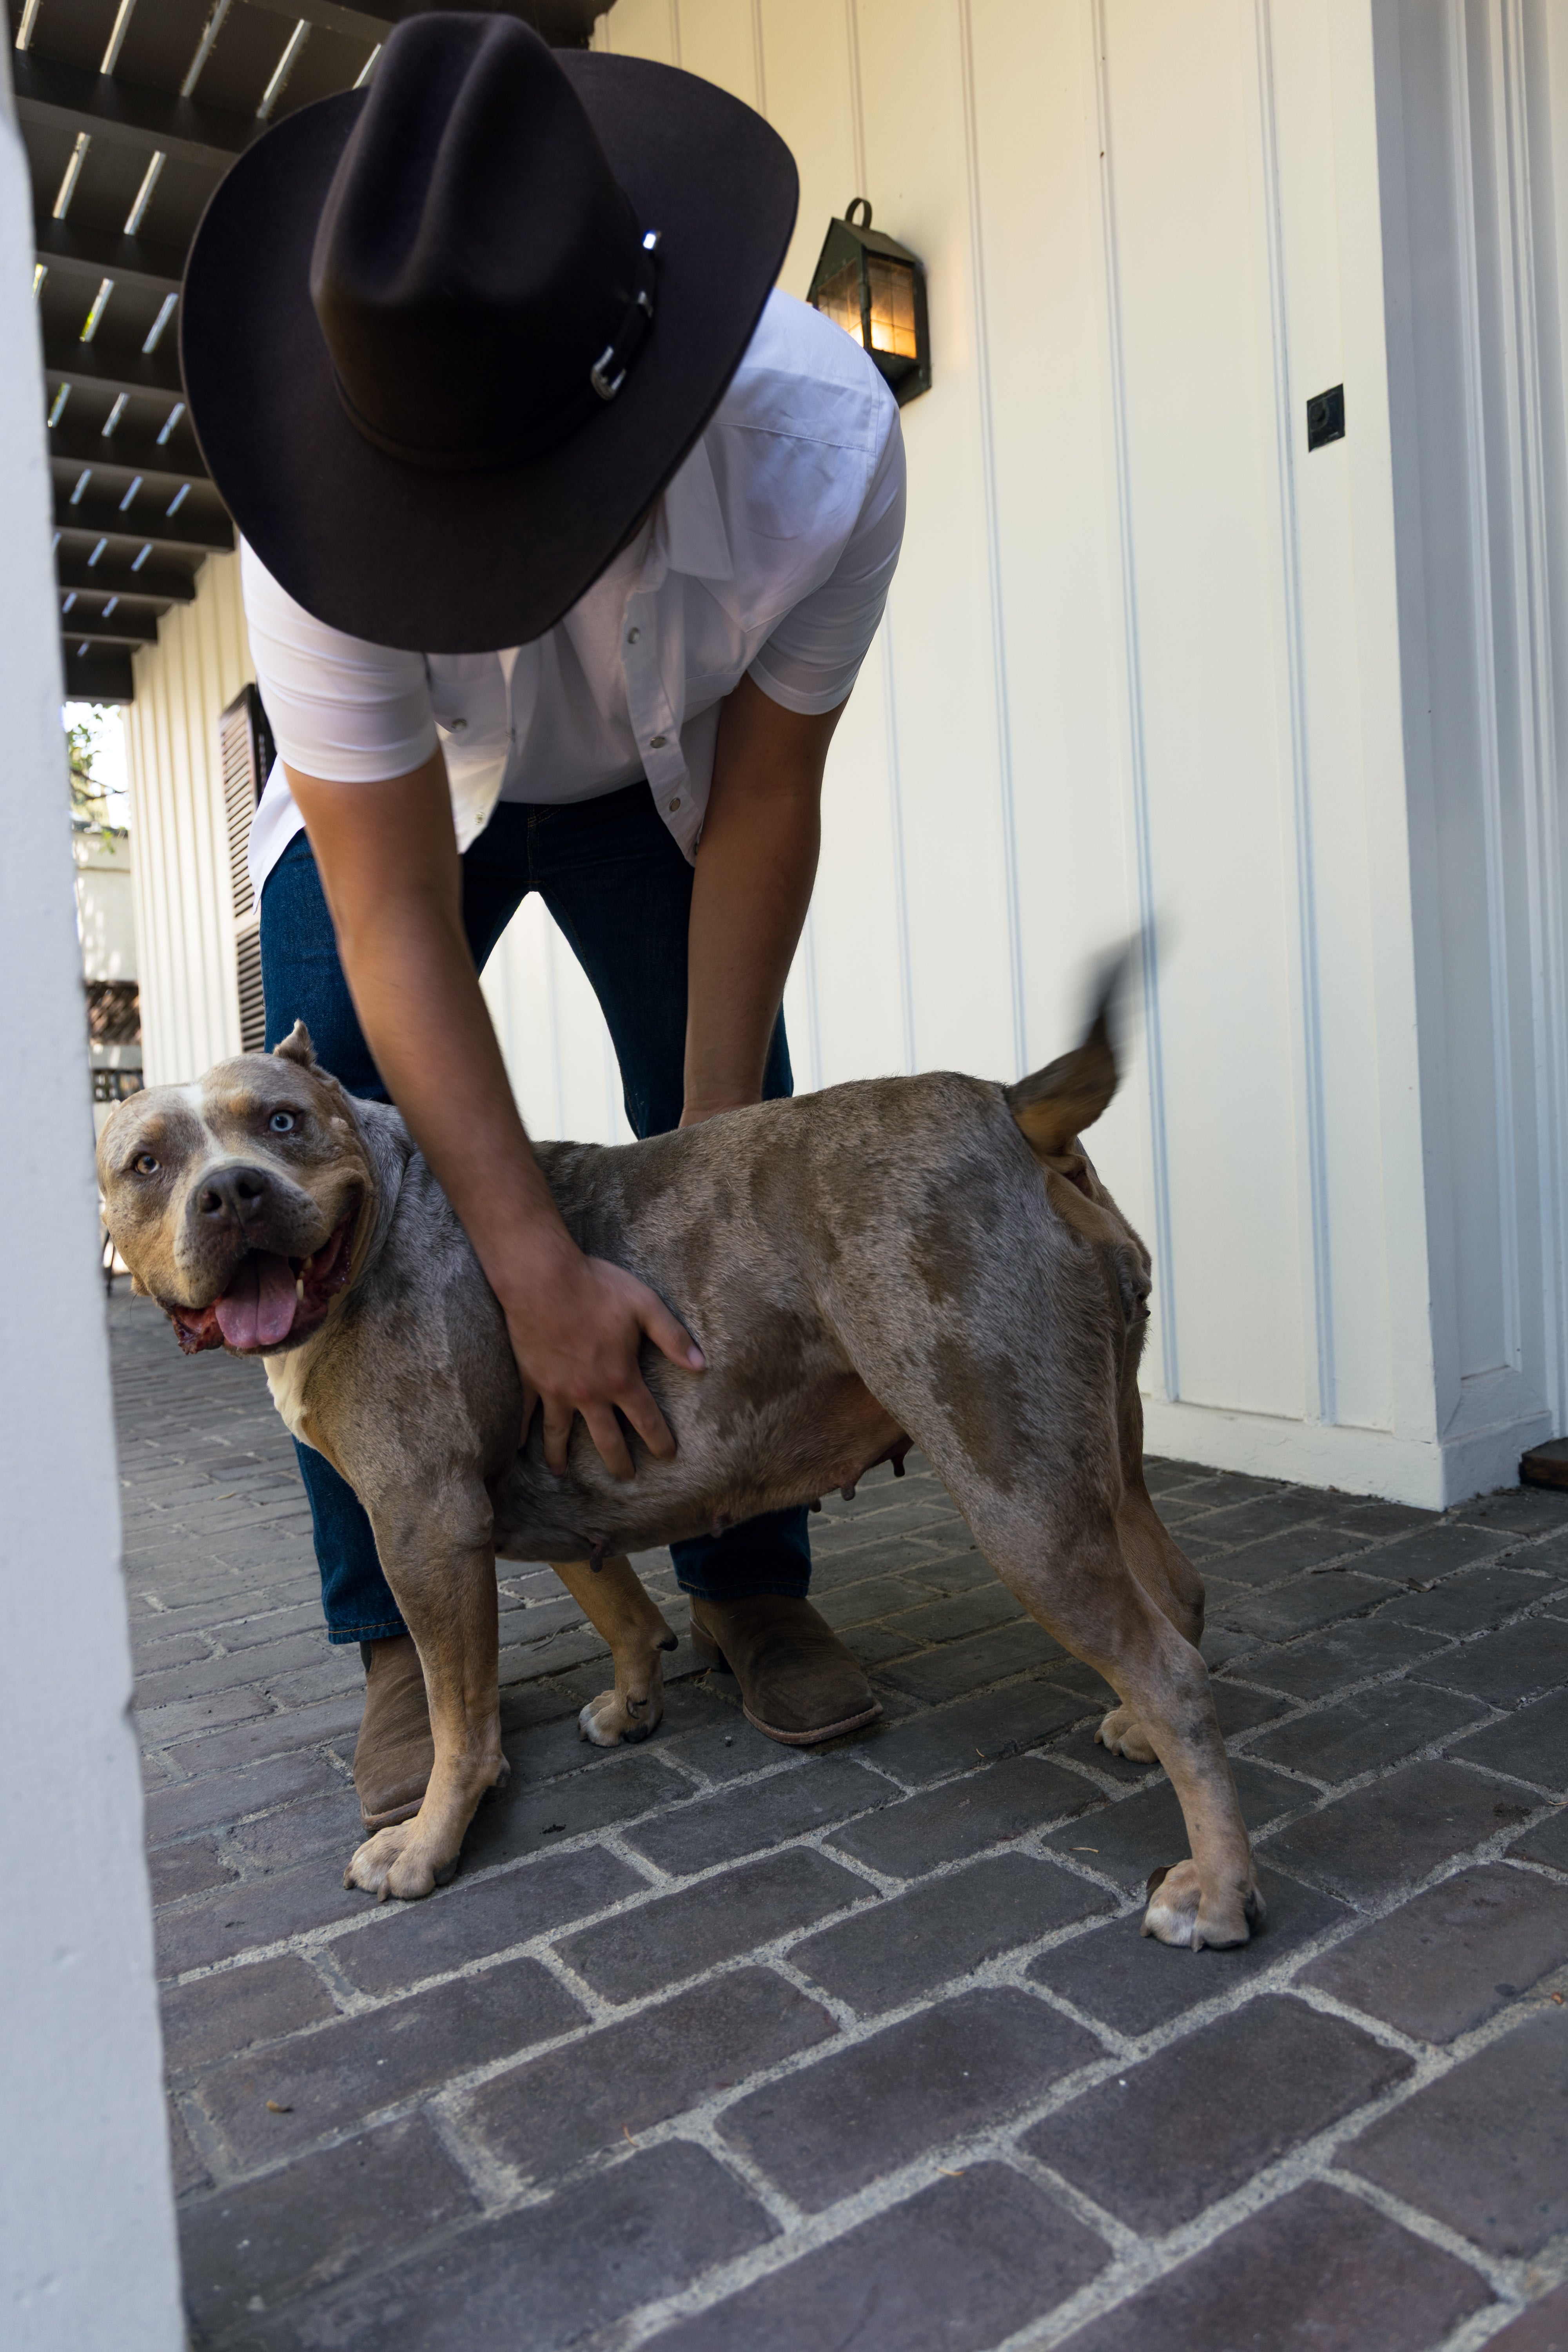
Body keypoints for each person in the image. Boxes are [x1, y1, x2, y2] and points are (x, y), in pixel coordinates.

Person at [178, 11, 907, 1829]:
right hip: (406, 814)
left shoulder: (825, 445)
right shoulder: (301, 508)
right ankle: (394, 1638)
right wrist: (527, 1264)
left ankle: (753, 1581)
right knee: (319, 1127)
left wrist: (707, 1163)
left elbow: (761, 817)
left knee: (755, 1134)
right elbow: (392, 906)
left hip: (663, 801)